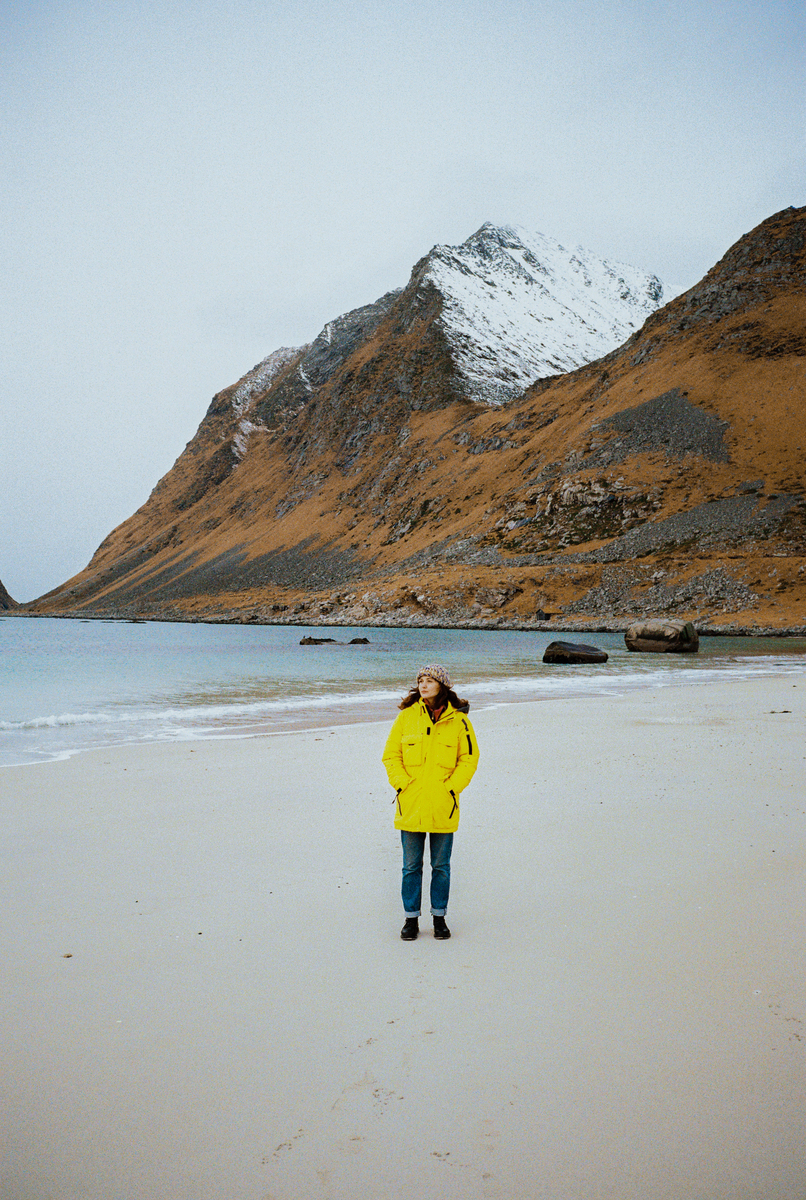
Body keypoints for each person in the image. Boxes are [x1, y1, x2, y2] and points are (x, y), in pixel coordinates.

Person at [382, 664, 479, 941]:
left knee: (441, 866)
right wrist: (403, 784)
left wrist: (452, 789)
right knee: (411, 866)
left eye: (429, 680)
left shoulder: (460, 722)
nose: (423, 685)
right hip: (411, 803)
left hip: (442, 805)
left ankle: (439, 918)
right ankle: (410, 920)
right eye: (420, 681)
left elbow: (469, 759)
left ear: (442, 685)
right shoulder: (406, 718)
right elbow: (391, 756)